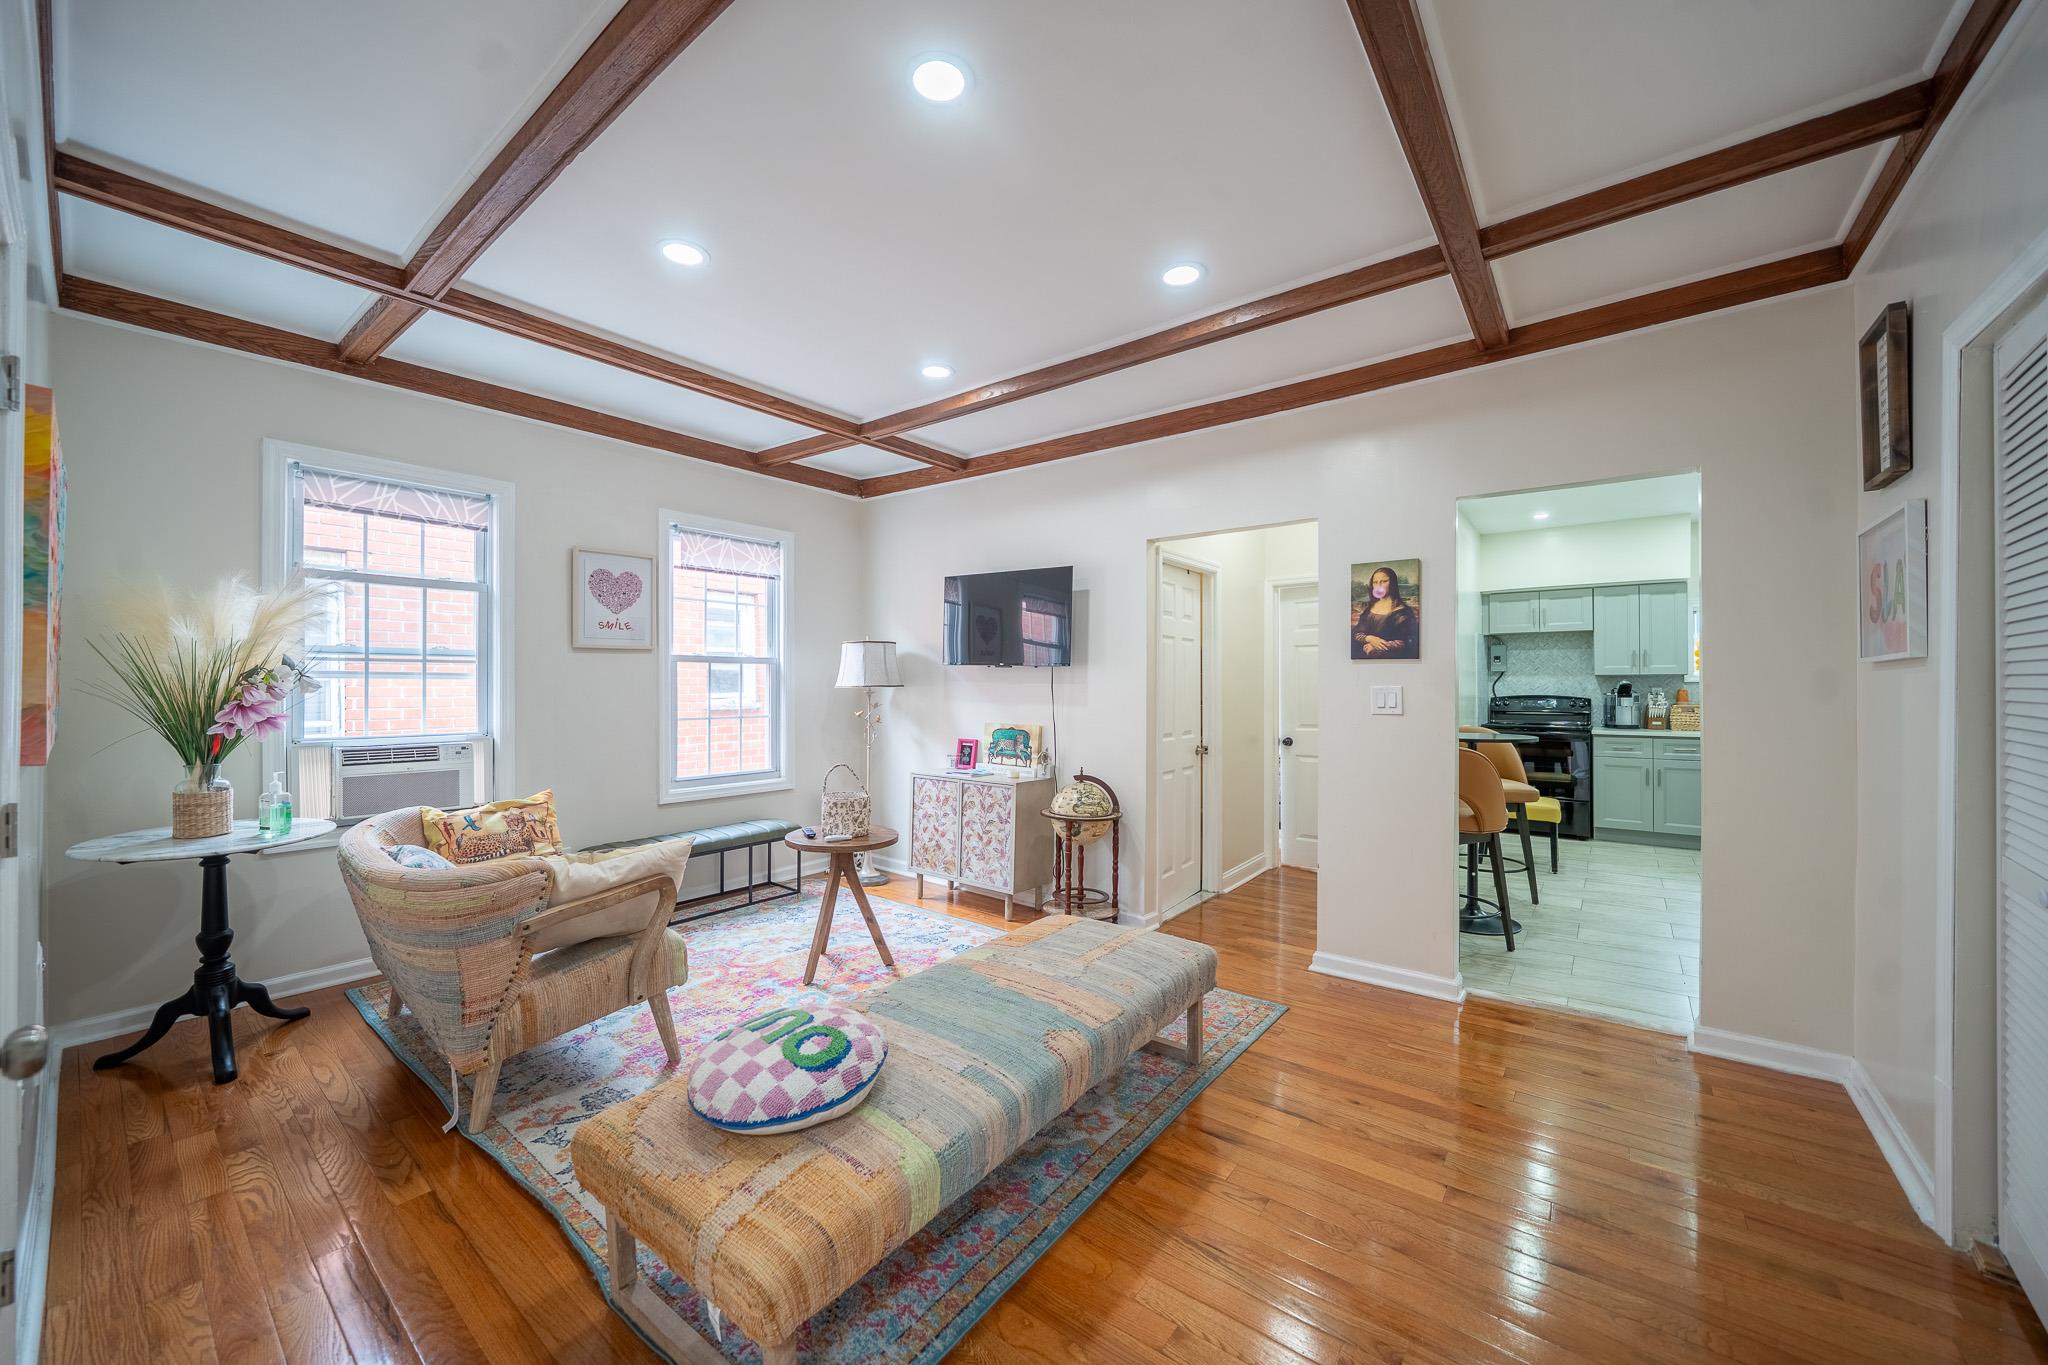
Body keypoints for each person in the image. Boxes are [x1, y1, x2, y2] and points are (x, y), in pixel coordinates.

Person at [1352, 565, 1419, 659]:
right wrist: (1370, 638)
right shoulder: (1368, 610)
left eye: (1383, 581)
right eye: (1375, 582)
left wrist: (1378, 646)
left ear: (1392, 583)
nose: (1378, 585)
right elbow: (1356, 633)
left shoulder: (1403, 612)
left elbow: (1407, 641)